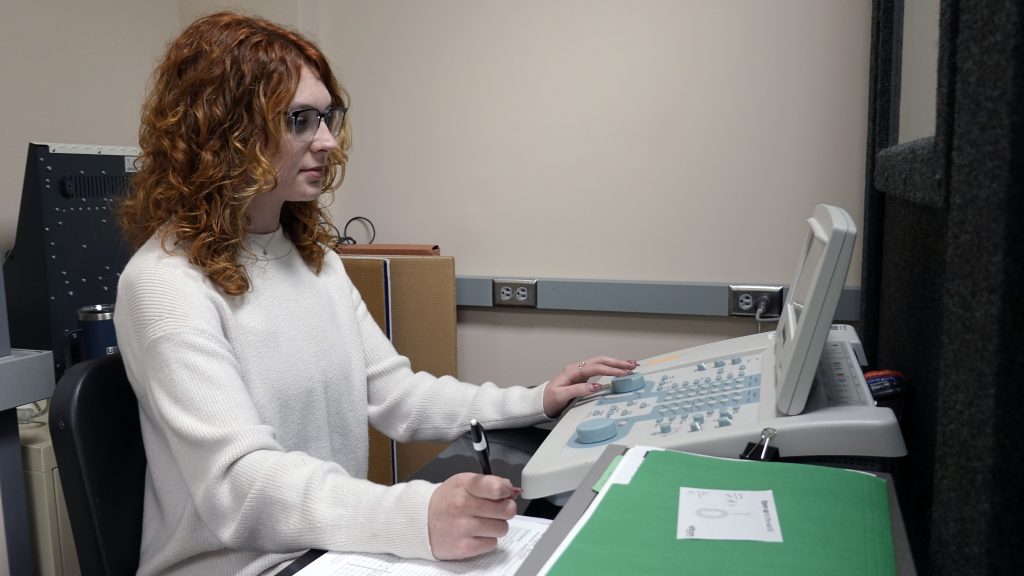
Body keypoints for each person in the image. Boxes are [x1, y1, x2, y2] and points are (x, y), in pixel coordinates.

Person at [114, 11, 637, 575]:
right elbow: (241, 484)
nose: (329, 141)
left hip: (326, 551)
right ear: (225, 131)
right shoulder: (164, 285)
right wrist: (414, 516)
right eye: (299, 120)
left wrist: (535, 400)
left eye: (327, 116)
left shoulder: (313, 261)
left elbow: (399, 396)